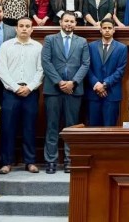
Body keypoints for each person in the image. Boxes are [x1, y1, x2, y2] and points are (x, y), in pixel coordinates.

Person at [41, 11, 90, 174]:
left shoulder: (82, 41)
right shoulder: (50, 39)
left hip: (74, 90)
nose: (69, 24)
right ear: (61, 22)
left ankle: (70, 160)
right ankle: (51, 161)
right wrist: (60, 82)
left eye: (72, 21)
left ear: (75, 24)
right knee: (52, 126)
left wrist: (73, 82)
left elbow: (85, 64)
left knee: (72, 127)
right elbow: (46, 62)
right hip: (53, 89)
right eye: (66, 21)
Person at [0, 17, 44, 174]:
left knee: (29, 127)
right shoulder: (6, 46)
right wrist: (16, 87)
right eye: (21, 26)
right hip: (11, 92)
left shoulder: (38, 47)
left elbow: (41, 70)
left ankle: (30, 162)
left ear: (32, 29)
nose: (24, 28)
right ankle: (6, 162)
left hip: (30, 92)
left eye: (27, 26)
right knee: (8, 127)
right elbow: (1, 70)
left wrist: (29, 87)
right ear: (16, 28)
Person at [87, 19, 128, 126]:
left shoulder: (122, 48)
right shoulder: (91, 46)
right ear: (100, 30)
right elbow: (87, 68)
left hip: (112, 94)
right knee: (93, 129)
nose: (107, 30)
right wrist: (97, 84)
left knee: (109, 129)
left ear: (114, 30)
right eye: (104, 28)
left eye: (109, 28)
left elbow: (120, 71)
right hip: (93, 94)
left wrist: (104, 84)